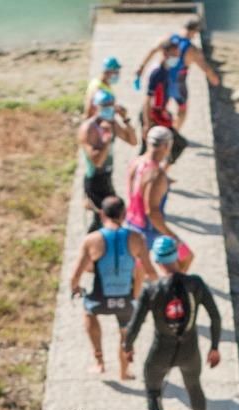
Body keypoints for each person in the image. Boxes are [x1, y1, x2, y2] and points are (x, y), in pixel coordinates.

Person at [123, 236, 219, 410]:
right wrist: (214, 347)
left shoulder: (151, 289)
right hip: (189, 350)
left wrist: (127, 347)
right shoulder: (196, 284)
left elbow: (135, 325)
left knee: (152, 391)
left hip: (161, 351)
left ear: (156, 261)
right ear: (177, 257)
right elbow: (215, 316)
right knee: (194, 385)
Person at [70, 197, 156, 379]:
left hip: (99, 299)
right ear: (124, 215)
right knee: (125, 334)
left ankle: (99, 361)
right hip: (126, 300)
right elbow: (150, 272)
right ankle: (124, 372)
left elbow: (75, 275)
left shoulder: (92, 240)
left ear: (101, 214)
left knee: (88, 312)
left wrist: (75, 288)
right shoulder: (137, 239)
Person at [133, 15, 220, 133]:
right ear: (195, 32)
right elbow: (205, 68)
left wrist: (141, 67)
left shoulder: (168, 38)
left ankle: (155, 125)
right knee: (182, 109)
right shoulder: (192, 49)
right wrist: (213, 78)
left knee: (157, 103)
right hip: (178, 83)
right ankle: (174, 132)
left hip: (161, 77)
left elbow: (152, 50)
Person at [126, 128, 191, 270]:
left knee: (142, 269)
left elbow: (133, 192)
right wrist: (171, 235)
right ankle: (175, 289)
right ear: (167, 146)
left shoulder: (136, 162)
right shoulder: (157, 174)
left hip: (131, 221)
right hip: (149, 229)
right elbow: (152, 212)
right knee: (186, 256)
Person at [79, 90, 137, 234]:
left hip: (106, 176)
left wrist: (125, 119)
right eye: (105, 106)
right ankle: (92, 249)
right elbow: (97, 161)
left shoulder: (111, 123)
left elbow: (133, 141)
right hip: (95, 180)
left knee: (107, 217)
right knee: (107, 217)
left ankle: (96, 248)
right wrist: (106, 141)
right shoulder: (89, 129)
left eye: (111, 106)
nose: (109, 109)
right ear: (95, 107)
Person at [137, 43, 188, 165]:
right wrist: (147, 123)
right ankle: (138, 175)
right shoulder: (157, 73)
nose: (176, 58)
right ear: (165, 54)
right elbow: (148, 99)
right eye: (174, 55)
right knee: (147, 151)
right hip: (152, 116)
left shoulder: (167, 71)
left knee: (175, 145)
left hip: (160, 115)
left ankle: (160, 174)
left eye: (178, 55)